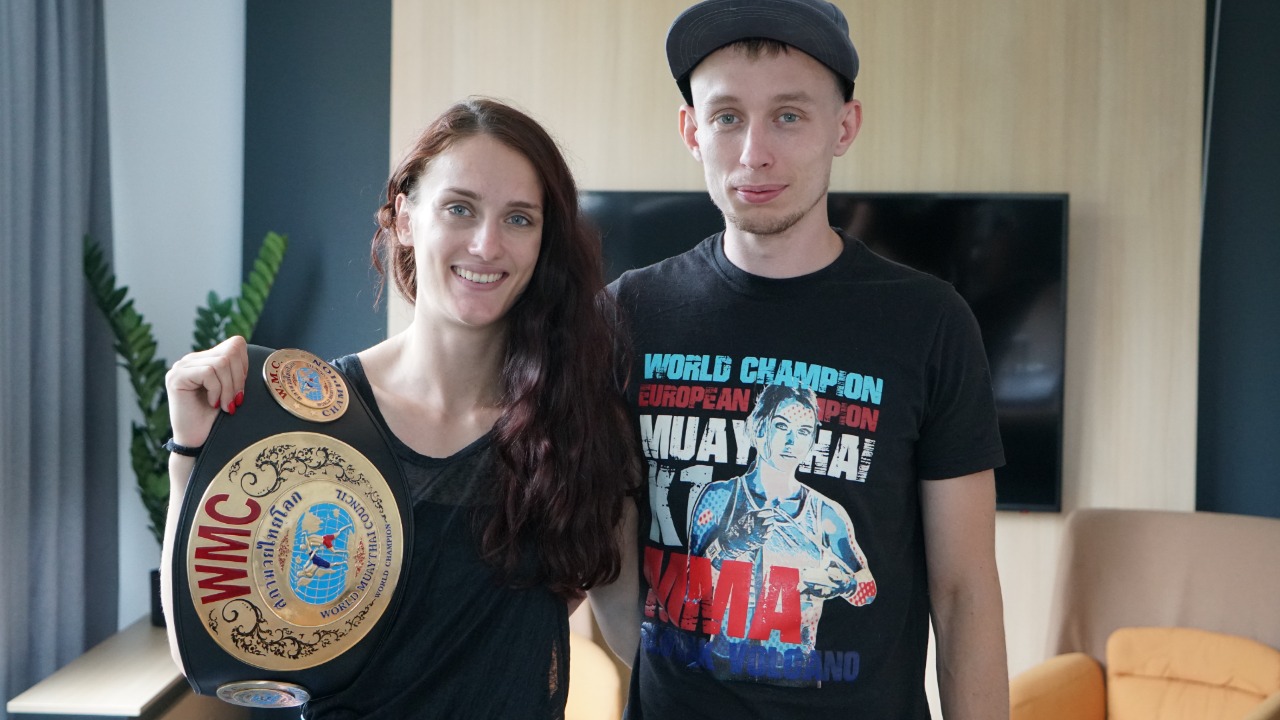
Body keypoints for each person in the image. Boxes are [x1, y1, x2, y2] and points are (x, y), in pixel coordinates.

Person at [589, 0, 1010, 717]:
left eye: (789, 115)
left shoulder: (928, 322)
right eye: (727, 117)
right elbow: (614, 567)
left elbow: (964, 592)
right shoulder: (625, 315)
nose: (754, 152)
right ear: (691, 131)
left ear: (843, 127)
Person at [160, 97, 640, 719]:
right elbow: (206, 653)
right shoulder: (311, 421)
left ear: (543, 241)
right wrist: (192, 455)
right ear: (405, 217)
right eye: (460, 208)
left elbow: (630, 632)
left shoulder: (575, 428)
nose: (487, 244)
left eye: (519, 218)